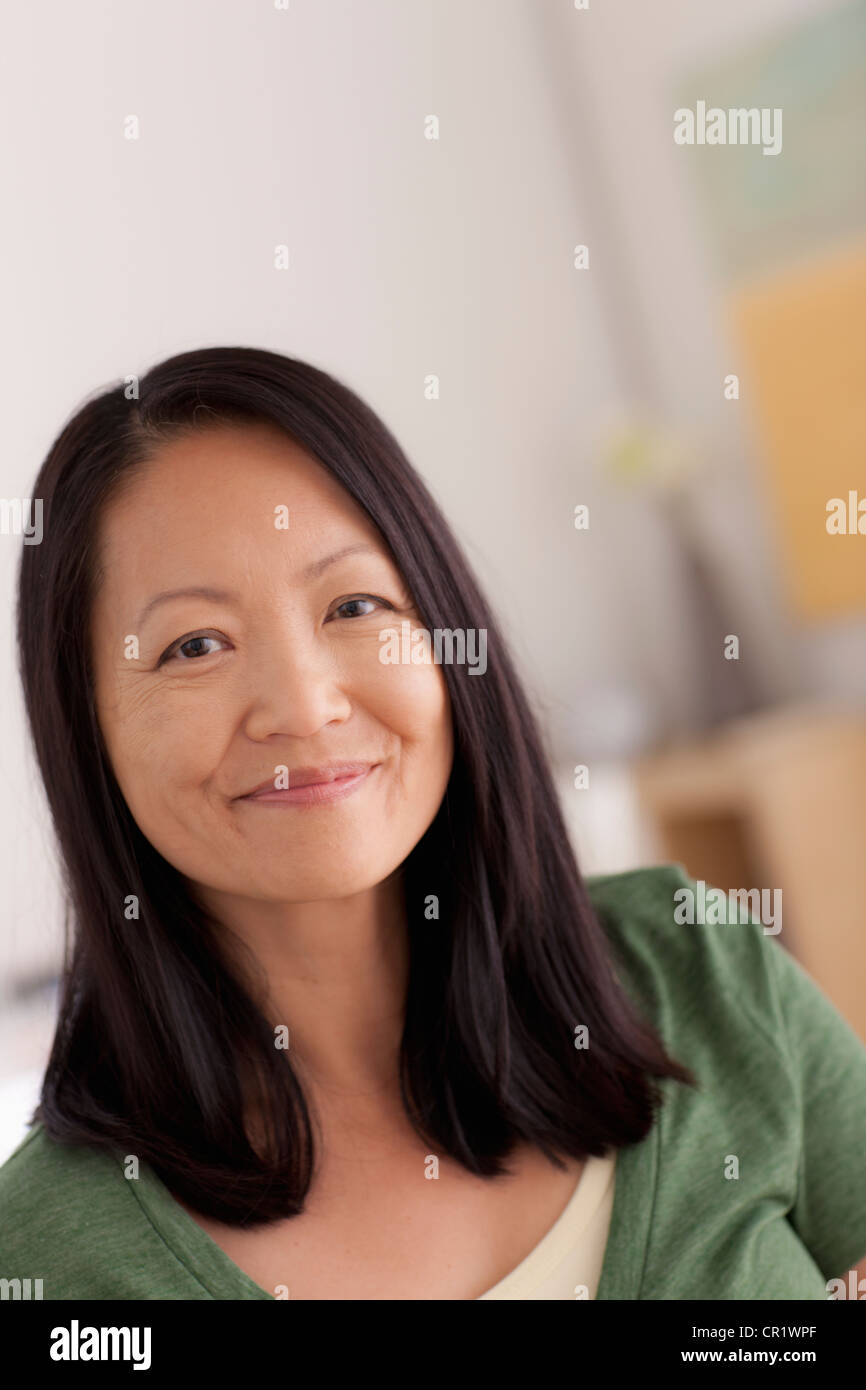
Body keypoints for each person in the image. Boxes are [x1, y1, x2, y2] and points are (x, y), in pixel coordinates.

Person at [1, 346, 864, 1300]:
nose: (303, 704)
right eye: (194, 644)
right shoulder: (48, 1257)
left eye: (355, 604)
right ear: (85, 725)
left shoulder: (702, 974)